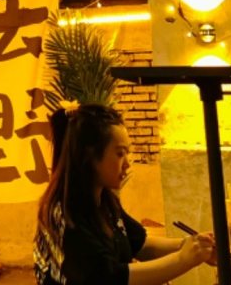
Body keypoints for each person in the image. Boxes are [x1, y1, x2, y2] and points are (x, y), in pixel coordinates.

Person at [34, 102, 215, 285]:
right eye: (120, 154)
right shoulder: (66, 215)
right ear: (90, 155)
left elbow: (140, 244)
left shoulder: (104, 199)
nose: (127, 164)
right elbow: (112, 278)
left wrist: (192, 245)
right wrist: (183, 259)